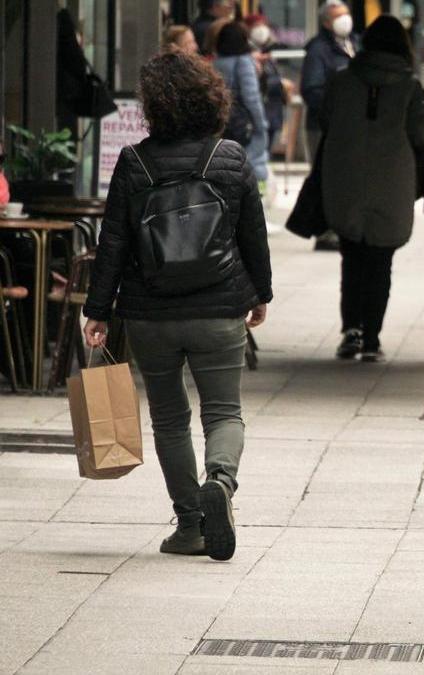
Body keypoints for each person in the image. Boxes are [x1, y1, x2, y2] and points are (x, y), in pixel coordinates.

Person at [81, 51, 272, 562]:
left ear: (153, 107)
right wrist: (260, 294)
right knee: (224, 412)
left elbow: (114, 243)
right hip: (218, 306)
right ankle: (221, 483)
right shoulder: (230, 157)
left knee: (169, 418)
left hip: (150, 313)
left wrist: (98, 310)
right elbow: (253, 234)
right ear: (212, 97)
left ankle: (192, 525)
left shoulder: (134, 162)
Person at [321, 15, 424, 363]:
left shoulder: (342, 81)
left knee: (351, 258)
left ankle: (350, 331)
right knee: (380, 262)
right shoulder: (410, 87)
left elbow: (325, 120)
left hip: (345, 178)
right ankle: (372, 338)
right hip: (392, 181)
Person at [302, 0, 357, 251]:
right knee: (325, 177)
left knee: (345, 177)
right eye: (338, 16)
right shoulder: (318, 50)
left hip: (349, 125)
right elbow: (311, 90)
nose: (344, 20)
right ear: (326, 21)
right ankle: (324, 231)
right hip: (323, 126)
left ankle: (340, 227)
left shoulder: (354, 43)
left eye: (346, 14)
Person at [213, 21, 270, 185]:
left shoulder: (216, 62)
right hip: (244, 123)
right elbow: (251, 96)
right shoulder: (244, 62)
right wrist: (261, 123)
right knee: (250, 164)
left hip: (225, 121)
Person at [245, 14, 289, 149]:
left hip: (272, 110)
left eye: (263, 26)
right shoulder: (245, 53)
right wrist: (280, 83)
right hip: (257, 113)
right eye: (256, 26)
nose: (261, 30)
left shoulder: (270, 49)